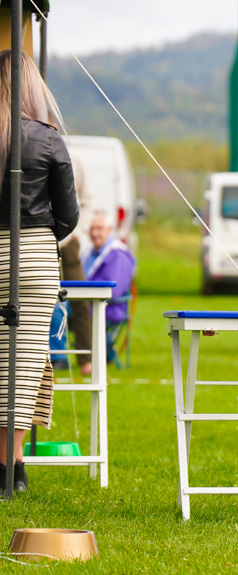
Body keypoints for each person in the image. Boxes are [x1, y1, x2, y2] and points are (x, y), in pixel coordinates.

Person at [0, 50, 79, 492]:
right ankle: (13, 470)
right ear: (33, 87)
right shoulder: (48, 138)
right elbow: (68, 216)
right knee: (25, 363)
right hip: (32, 257)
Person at [50, 152, 94, 374]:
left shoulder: (74, 159)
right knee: (45, 300)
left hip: (69, 241)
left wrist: (78, 232)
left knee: (81, 297)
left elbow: (88, 202)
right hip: (41, 240)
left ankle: (86, 358)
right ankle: (50, 357)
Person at [80, 210, 135, 363]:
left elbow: (113, 291)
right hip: (87, 304)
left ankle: (60, 359)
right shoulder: (89, 253)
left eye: (99, 228)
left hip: (109, 309)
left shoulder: (117, 254)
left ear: (110, 229)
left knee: (57, 313)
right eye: (91, 229)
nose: (94, 233)